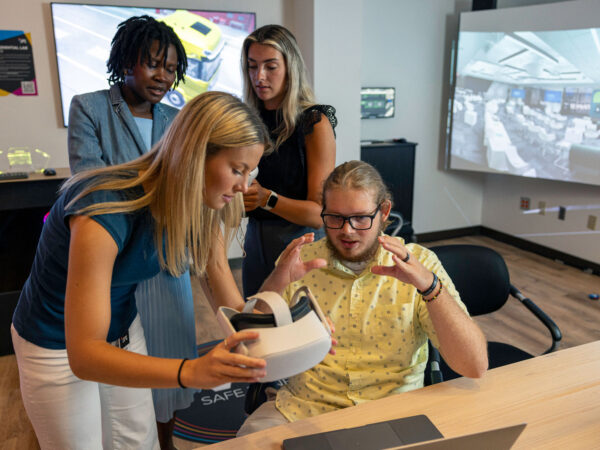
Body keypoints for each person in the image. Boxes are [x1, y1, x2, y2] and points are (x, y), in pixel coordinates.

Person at [11, 92, 275, 449]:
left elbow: (223, 291)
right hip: (53, 343)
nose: (245, 186)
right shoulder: (104, 207)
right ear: (197, 154)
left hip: (121, 327)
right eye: (237, 169)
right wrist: (190, 371)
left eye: (250, 171)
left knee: (140, 441)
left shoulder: (200, 203)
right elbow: (85, 355)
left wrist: (282, 330)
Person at [237, 160, 488, 435]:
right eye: (335, 217)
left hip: (396, 413)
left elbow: (474, 365)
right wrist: (277, 281)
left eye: (360, 218)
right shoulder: (301, 260)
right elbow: (245, 351)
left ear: (383, 211)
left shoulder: (421, 263)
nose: (347, 230)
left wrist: (429, 287)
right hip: (303, 410)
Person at [66, 16, 191, 448]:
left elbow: (187, 186)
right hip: (114, 263)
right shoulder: (90, 106)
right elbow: (90, 182)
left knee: (173, 362)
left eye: (171, 67)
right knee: (122, 367)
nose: (163, 76)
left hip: (167, 257)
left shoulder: (177, 119)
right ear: (126, 61)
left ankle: (167, 441)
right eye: (153, 63)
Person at [240, 24, 337, 297]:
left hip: (301, 245)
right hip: (254, 242)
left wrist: (265, 198)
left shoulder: (314, 123)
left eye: (270, 66)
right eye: (252, 66)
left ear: (290, 67)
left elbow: (318, 215)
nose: (259, 76)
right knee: (260, 325)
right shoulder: (248, 121)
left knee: (301, 331)